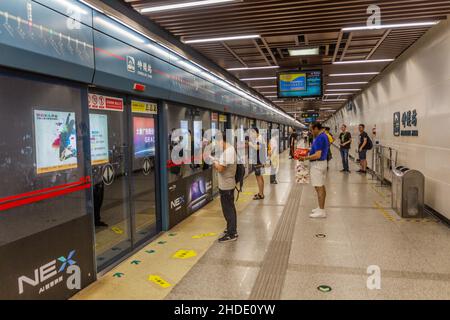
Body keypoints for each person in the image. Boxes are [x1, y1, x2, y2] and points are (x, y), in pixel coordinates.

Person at [211, 134, 238, 243]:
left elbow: (221, 168)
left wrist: (215, 162)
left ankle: (232, 234)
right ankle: (231, 229)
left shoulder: (228, 152)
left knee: (228, 209)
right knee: (230, 208)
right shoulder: (229, 150)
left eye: (217, 142)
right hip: (228, 185)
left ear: (222, 140)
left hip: (226, 186)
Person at [299, 122, 329, 218]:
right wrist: (308, 150)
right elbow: (317, 150)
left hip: (317, 164)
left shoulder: (320, 138)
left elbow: (318, 155)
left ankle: (321, 211)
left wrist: (305, 158)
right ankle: (321, 208)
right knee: (321, 186)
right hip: (321, 163)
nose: (311, 132)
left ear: (316, 128)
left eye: (312, 130)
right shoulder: (323, 136)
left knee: (318, 187)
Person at [249, 128, 266, 200]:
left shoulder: (259, 139)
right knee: (260, 177)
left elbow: (257, 148)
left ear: (256, 132)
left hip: (258, 161)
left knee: (259, 178)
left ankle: (261, 194)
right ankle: (261, 193)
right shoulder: (259, 138)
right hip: (260, 160)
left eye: (252, 133)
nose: (251, 135)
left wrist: (250, 144)